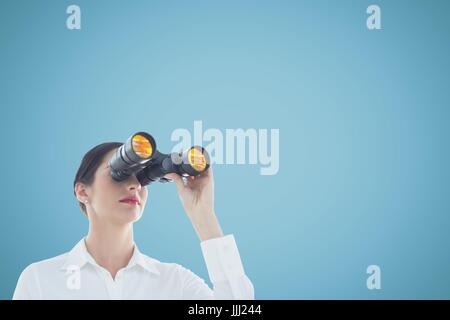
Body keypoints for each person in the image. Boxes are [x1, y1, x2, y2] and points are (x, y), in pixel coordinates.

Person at [13, 142, 254, 299]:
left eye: (141, 177)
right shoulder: (40, 280)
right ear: (82, 191)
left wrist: (203, 214)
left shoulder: (174, 282)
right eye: (118, 174)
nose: (133, 185)